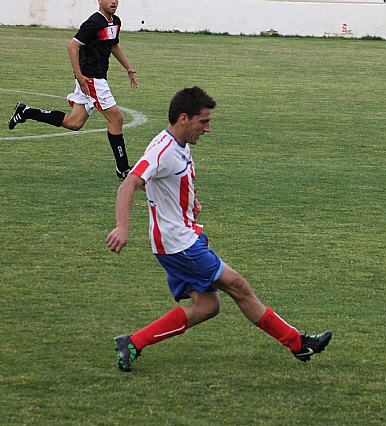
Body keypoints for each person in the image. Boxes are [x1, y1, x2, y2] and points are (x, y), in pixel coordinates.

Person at [106, 86, 332, 372]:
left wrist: (190, 202)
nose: (208, 129)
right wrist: (122, 227)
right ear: (184, 118)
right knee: (238, 286)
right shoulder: (162, 150)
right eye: (204, 121)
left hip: (182, 239)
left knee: (208, 307)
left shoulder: (179, 146)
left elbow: (167, 184)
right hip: (180, 245)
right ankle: (298, 343)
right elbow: (130, 183)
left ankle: (133, 342)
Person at [7, 0, 137, 179]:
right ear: (100, 0)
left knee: (74, 123)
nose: (113, 1)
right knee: (116, 119)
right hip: (91, 79)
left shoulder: (115, 21)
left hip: (95, 79)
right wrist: (79, 76)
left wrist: (128, 68)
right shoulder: (94, 22)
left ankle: (27, 112)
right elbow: (73, 46)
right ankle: (123, 169)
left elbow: (113, 44)